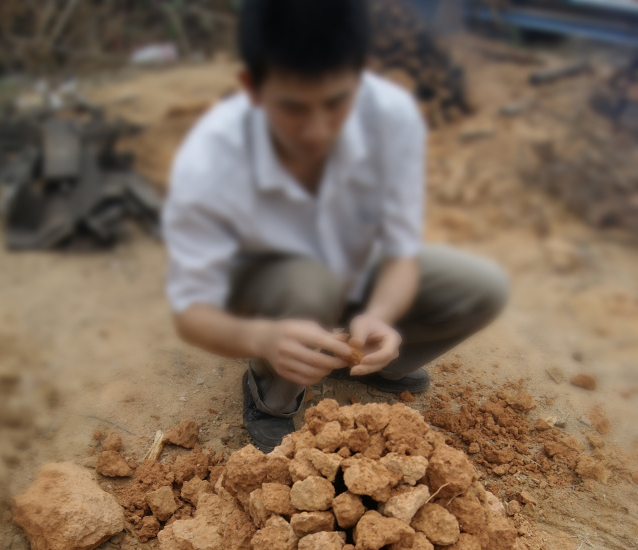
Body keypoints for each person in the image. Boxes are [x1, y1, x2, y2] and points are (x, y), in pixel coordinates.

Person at [162, 0, 508, 452]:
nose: (317, 131)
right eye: (292, 108)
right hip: (272, 280)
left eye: (336, 102)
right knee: (309, 285)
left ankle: (374, 361)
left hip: (357, 260)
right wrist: (261, 338)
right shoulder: (211, 153)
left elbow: (402, 254)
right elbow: (190, 314)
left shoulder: (392, 116)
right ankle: (271, 398)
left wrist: (380, 314)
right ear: (251, 88)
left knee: (484, 287)